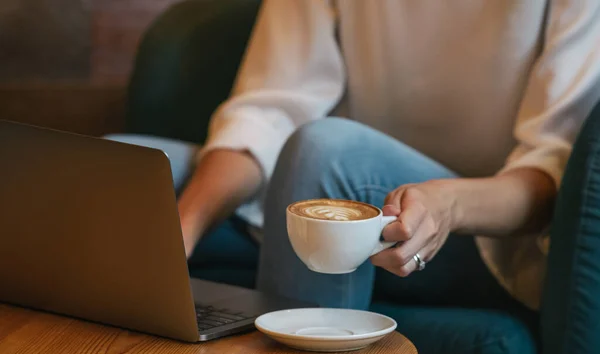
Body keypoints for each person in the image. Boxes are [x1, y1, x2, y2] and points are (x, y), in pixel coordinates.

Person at [110, 1, 600, 312]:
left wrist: (446, 204)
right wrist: (184, 225)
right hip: (326, 192)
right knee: (120, 169)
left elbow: (551, 175)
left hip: (485, 235)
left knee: (328, 151)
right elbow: (269, 111)